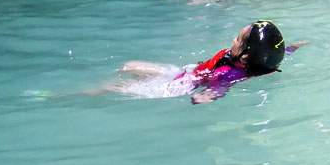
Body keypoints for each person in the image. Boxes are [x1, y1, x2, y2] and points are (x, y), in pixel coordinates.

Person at [96, 21, 304, 104]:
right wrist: (294, 47)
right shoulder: (263, 61)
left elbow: (221, 87)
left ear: (247, 56)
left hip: (179, 87)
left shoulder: (230, 74)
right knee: (128, 66)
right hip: (186, 72)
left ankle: (90, 91)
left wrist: (204, 97)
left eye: (238, 39)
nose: (233, 40)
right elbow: (281, 54)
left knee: (115, 88)